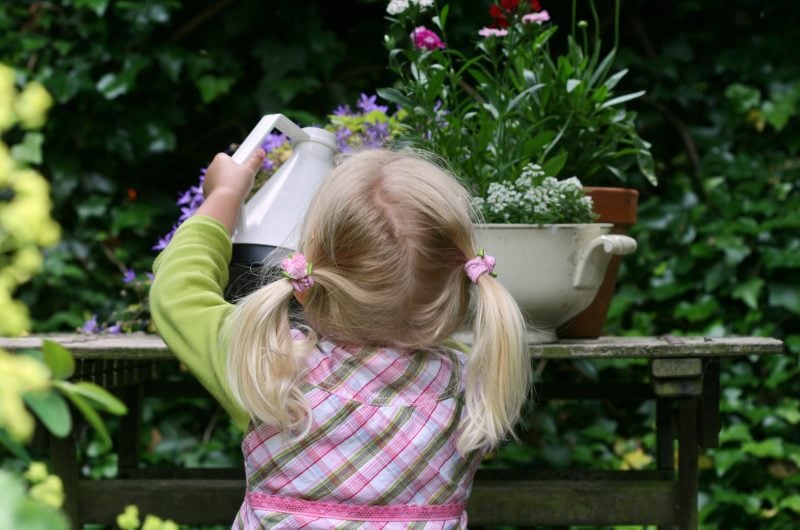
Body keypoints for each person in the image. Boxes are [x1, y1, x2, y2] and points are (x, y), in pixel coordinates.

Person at [150, 148, 530, 529]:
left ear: (308, 269)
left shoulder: (272, 367)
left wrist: (224, 197)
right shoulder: (474, 380)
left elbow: (176, 292)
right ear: (462, 280)